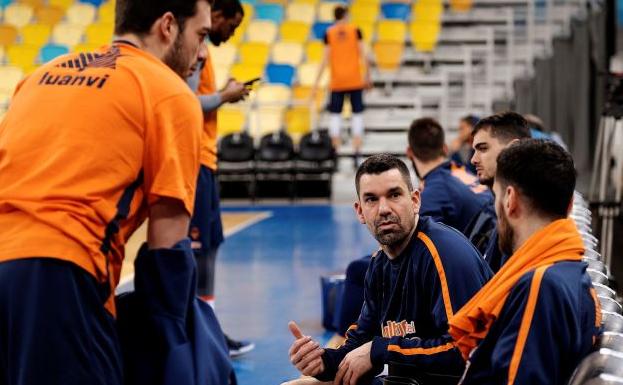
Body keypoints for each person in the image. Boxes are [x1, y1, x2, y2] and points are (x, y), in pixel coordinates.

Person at [0, 0, 211, 383]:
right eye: (202, 35)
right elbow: (168, 249)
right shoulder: (171, 94)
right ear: (167, 26)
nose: (203, 53)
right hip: (61, 272)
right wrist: (171, 349)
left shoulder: (37, 77)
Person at [288, 154, 492, 385]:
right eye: (372, 200)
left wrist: (381, 350)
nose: (383, 209)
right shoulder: (379, 264)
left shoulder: (445, 254)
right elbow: (360, 342)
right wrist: (323, 362)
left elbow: (464, 352)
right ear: (360, 211)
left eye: (394, 195)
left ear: (415, 200)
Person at [449, 139, 601, 385]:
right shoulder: (572, 271)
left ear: (510, 199)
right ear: (570, 204)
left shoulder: (540, 284)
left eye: (495, 197)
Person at [186, 0, 254, 357]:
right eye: (233, 23)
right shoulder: (195, 47)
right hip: (192, 161)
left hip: (205, 162)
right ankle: (197, 333)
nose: (233, 32)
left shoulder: (204, 51)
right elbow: (183, 101)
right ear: (216, 16)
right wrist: (224, 96)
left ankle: (208, 329)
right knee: (195, 251)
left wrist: (223, 94)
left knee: (209, 247)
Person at [407, 117, 491, 237]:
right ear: (445, 149)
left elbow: (421, 249)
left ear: (409, 152)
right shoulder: (464, 172)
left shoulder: (432, 195)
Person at [471, 111, 531, 272]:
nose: (473, 160)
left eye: (483, 149)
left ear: (512, 149)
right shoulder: (499, 211)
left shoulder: (521, 219)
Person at [313, 4, 371, 167]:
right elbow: (363, 55)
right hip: (354, 80)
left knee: (335, 117)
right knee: (357, 116)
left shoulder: (329, 33)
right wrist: (368, 76)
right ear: (345, 15)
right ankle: (356, 153)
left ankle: (336, 152)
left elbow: (324, 60)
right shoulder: (355, 30)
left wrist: (316, 84)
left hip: (337, 82)